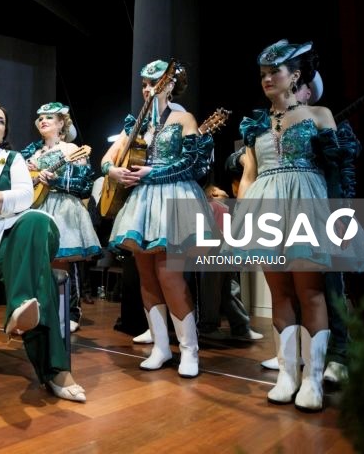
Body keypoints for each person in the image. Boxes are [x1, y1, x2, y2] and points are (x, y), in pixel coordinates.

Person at [231, 39, 364, 411]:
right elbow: (250, 173)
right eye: (262, 73)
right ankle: (286, 374)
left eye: (274, 72)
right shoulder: (255, 126)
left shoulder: (319, 115)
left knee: (311, 292)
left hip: (307, 205)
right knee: (280, 293)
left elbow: (338, 171)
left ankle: (313, 379)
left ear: (295, 76)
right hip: (266, 208)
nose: (267, 79)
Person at [0, 100, 87, 403]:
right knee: (42, 279)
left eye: (1, 120)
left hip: (25, 232)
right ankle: (56, 371)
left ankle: (20, 309)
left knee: (36, 219)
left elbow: (25, 197)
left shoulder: (12, 159)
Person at [101, 59, 216, 378]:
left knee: (169, 275)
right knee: (146, 274)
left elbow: (193, 163)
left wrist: (152, 172)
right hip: (142, 201)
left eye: (155, 82)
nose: (148, 89)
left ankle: (189, 350)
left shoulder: (183, 118)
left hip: (173, 195)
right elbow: (106, 159)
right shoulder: (135, 125)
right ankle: (161, 346)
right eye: (144, 83)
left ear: (168, 85)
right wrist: (113, 170)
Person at [21, 102, 101, 333]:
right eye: (41, 118)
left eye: (50, 118)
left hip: (63, 206)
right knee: (40, 262)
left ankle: (71, 311)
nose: (43, 121)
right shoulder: (31, 153)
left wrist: (55, 181)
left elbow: (84, 186)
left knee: (65, 260)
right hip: (37, 206)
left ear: (61, 124)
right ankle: (43, 310)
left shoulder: (70, 149)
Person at [196, 184, 264, 341]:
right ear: (213, 194)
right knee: (216, 290)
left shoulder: (222, 209)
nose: (225, 191)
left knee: (227, 289)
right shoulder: (214, 206)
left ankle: (239, 327)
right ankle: (214, 327)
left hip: (222, 253)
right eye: (220, 190)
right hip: (214, 253)